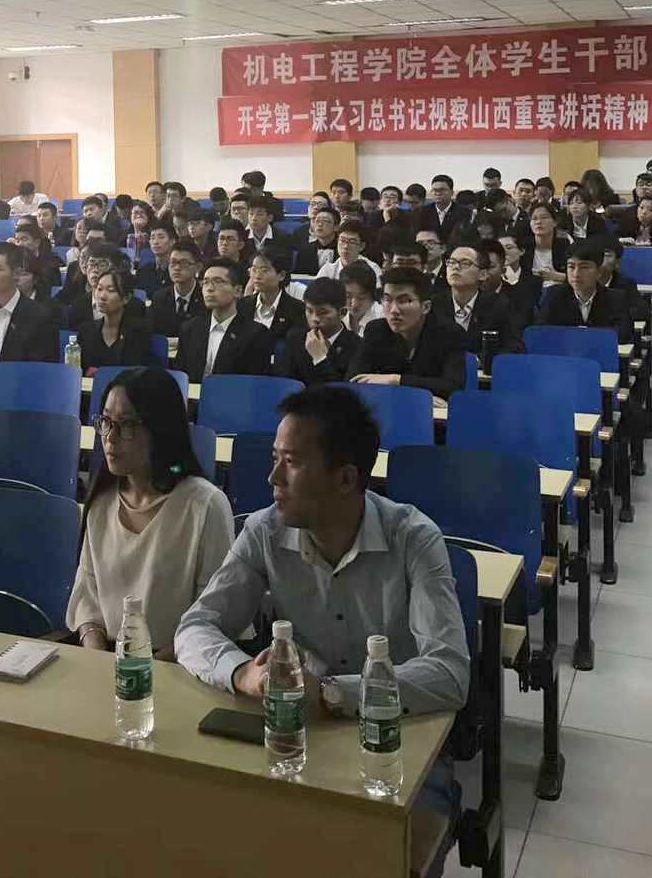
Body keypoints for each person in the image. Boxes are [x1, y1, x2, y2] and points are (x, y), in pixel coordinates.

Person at [174, 386, 469, 864]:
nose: (272, 477)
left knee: (380, 855)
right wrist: (243, 673)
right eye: (275, 459)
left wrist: (332, 694)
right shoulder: (265, 531)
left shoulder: (414, 539)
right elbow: (194, 629)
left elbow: (451, 674)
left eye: (290, 463)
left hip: (397, 742)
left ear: (346, 478)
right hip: (298, 735)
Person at [69, 368, 234, 657]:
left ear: (160, 430)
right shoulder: (102, 500)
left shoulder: (205, 505)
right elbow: (88, 604)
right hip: (107, 660)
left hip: (182, 664)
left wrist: (146, 667)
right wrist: (100, 660)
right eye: (106, 421)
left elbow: (214, 618)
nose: (110, 438)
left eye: (127, 425)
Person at [346, 267, 468, 400]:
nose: (394, 310)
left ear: (425, 307)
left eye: (403, 301)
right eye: (387, 300)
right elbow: (353, 380)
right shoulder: (376, 330)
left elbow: (453, 387)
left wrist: (395, 380)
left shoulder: (450, 334)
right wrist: (413, 394)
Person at [173, 258, 272, 384]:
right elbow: (180, 377)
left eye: (218, 281)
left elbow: (254, 383)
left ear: (237, 291)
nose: (209, 288)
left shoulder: (256, 334)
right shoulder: (190, 329)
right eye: (206, 282)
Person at [430, 244, 522, 354]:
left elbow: (514, 347)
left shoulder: (499, 305)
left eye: (465, 263)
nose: (456, 267)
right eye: (451, 262)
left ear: (482, 274)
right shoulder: (434, 304)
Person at [537, 238, 632, 343]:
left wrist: (584, 337)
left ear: (599, 272)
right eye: (571, 267)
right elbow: (541, 331)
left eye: (584, 267)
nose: (576, 274)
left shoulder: (616, 299)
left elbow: (623, 334)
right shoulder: (553, 295)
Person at [276, 278, 362, 385]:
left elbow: (343, 391)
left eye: (323, 312)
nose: (315, 318)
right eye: (309, 311)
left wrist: (320, 359)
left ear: (342, 313)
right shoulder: (295, 339)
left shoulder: (357, 346)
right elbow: (286, 384)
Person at [78, 268, 153, 371]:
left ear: (126, 298)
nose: (102, 296)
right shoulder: (86, 330)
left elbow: (136, 371)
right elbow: (81, 370)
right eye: (99, 289)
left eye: (111, 290)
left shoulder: (139, 331)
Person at [69, 242, 147, 331]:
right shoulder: (77, 307)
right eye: (91, 264)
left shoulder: (136, 308)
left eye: (102, 265)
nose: (95, 270)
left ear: (117, 268)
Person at [239, 245, 306, 345]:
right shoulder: (242, 305)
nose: (257, 276)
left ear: (281, 275)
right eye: (254, 270)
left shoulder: (297, 309)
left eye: (264, 270)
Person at [149, 239, 205, 338]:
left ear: (198, 267)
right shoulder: (159, 297)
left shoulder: (205, 298)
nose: (177, 268)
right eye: (173, 262)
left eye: (183, 263)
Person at [317, 221, 382, 282]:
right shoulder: (327, 270)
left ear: (362, 246)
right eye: (342, 240)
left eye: (352, 242)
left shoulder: (372, 268)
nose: (345, 246)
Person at [523, 203, 568, 289]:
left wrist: (555, 276)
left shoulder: (565, 246)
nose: (538, 222)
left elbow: (577, 276)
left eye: (544, 217)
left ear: (555, 222)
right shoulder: (524, 248)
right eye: (534, 218)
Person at [418, 174, 471, 241]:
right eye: (435, 190)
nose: (438, 193)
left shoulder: (464, 212)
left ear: (452, 192)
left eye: (442, 190)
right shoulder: (422, 212)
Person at [340, 262, 382, 338]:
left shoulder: (382, 319)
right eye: (348, 296)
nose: (354, 304)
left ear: (373, 297)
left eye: (361, 297)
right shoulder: (338, 318)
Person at [293, 205, 339, 273]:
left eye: (325, 221)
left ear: (336, 227)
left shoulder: (343, 249)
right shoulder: (304, 250)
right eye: (317, 221)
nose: (320, 224)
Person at [136, 224, 176, 295]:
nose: (155, 242)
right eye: (152, 238)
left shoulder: (177, 270)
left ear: (172, 241)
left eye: (161, 237)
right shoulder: (143, 271)